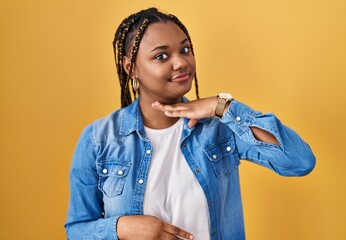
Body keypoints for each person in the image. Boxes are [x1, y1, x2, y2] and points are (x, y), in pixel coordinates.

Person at [65, 7, 316, 240]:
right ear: (131, 68)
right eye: (161, 56)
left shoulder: (219, 129)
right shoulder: (99, 139)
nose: (181, 62)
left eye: (185, 50)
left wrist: (224, 107)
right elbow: (76, 230)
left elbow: (299, 161)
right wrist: (120, 227)